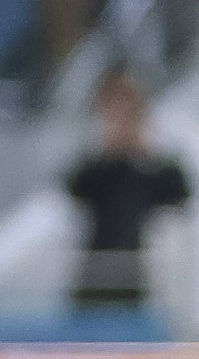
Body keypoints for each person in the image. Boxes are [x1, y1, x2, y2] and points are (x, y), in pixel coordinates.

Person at [63, 76, 191, 311]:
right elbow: (74, 190)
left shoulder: (157, 168)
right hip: (95, 273)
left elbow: (181, 196)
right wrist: (109, 152)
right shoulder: (95, 167)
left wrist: (143, 156)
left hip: (141, 275)